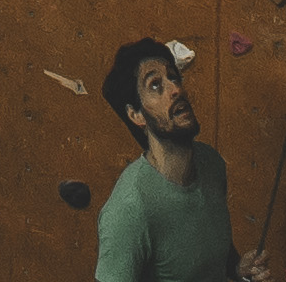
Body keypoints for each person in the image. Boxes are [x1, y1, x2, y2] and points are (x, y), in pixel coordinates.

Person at [93, 38, 255, 282]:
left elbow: (207, 254)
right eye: (156, 85)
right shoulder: (130, 209)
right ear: (136, 114)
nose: (175, 89)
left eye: (174, 78)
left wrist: (238, 270)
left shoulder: (211, 164)